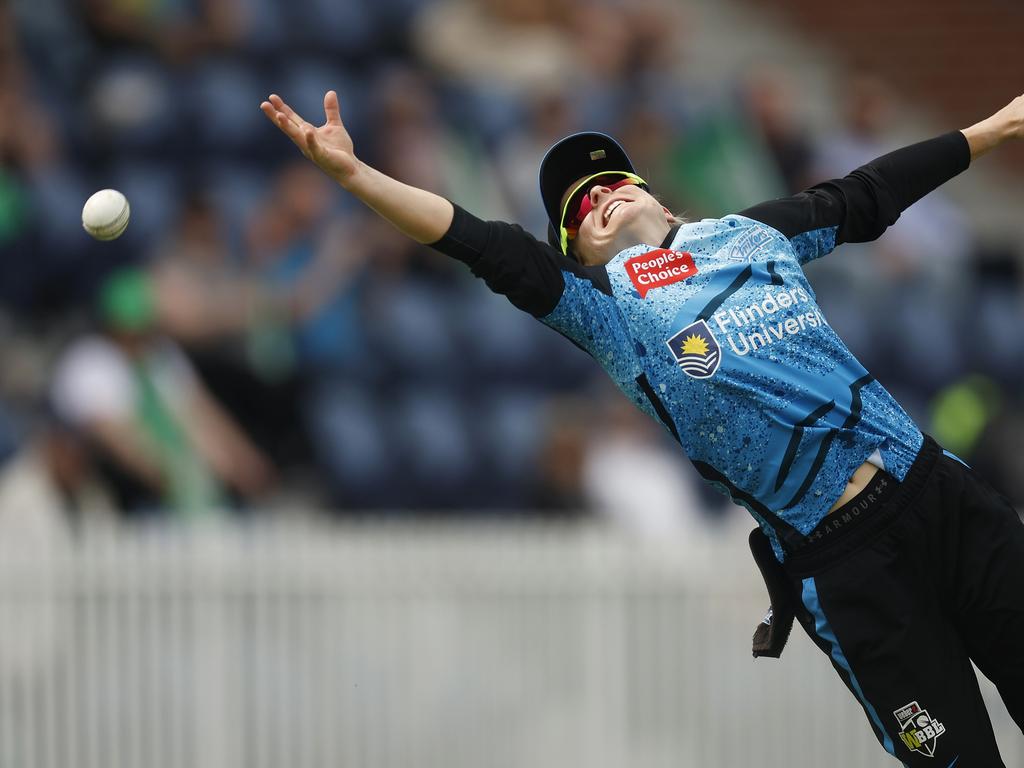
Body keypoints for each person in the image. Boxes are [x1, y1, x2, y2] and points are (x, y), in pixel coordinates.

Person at [261, 89, 1024, 765]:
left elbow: (866, 194)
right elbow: (474, 239)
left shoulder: (749, 234)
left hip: (935, 492)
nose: (597, 198)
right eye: (579, 210)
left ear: (660, 200)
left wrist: (994, 127)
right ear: (575, 252)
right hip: (847, 564)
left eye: (610, 183)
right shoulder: (603, 305)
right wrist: (357, 177)